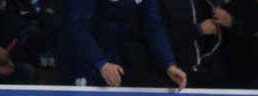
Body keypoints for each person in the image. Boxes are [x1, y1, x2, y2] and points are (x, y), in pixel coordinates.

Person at [56, 0, 187, 88]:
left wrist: (169, 64)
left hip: (111, 58)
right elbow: (76, 24)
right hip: (80, 56)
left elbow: (153, 26)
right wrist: (100, 63)